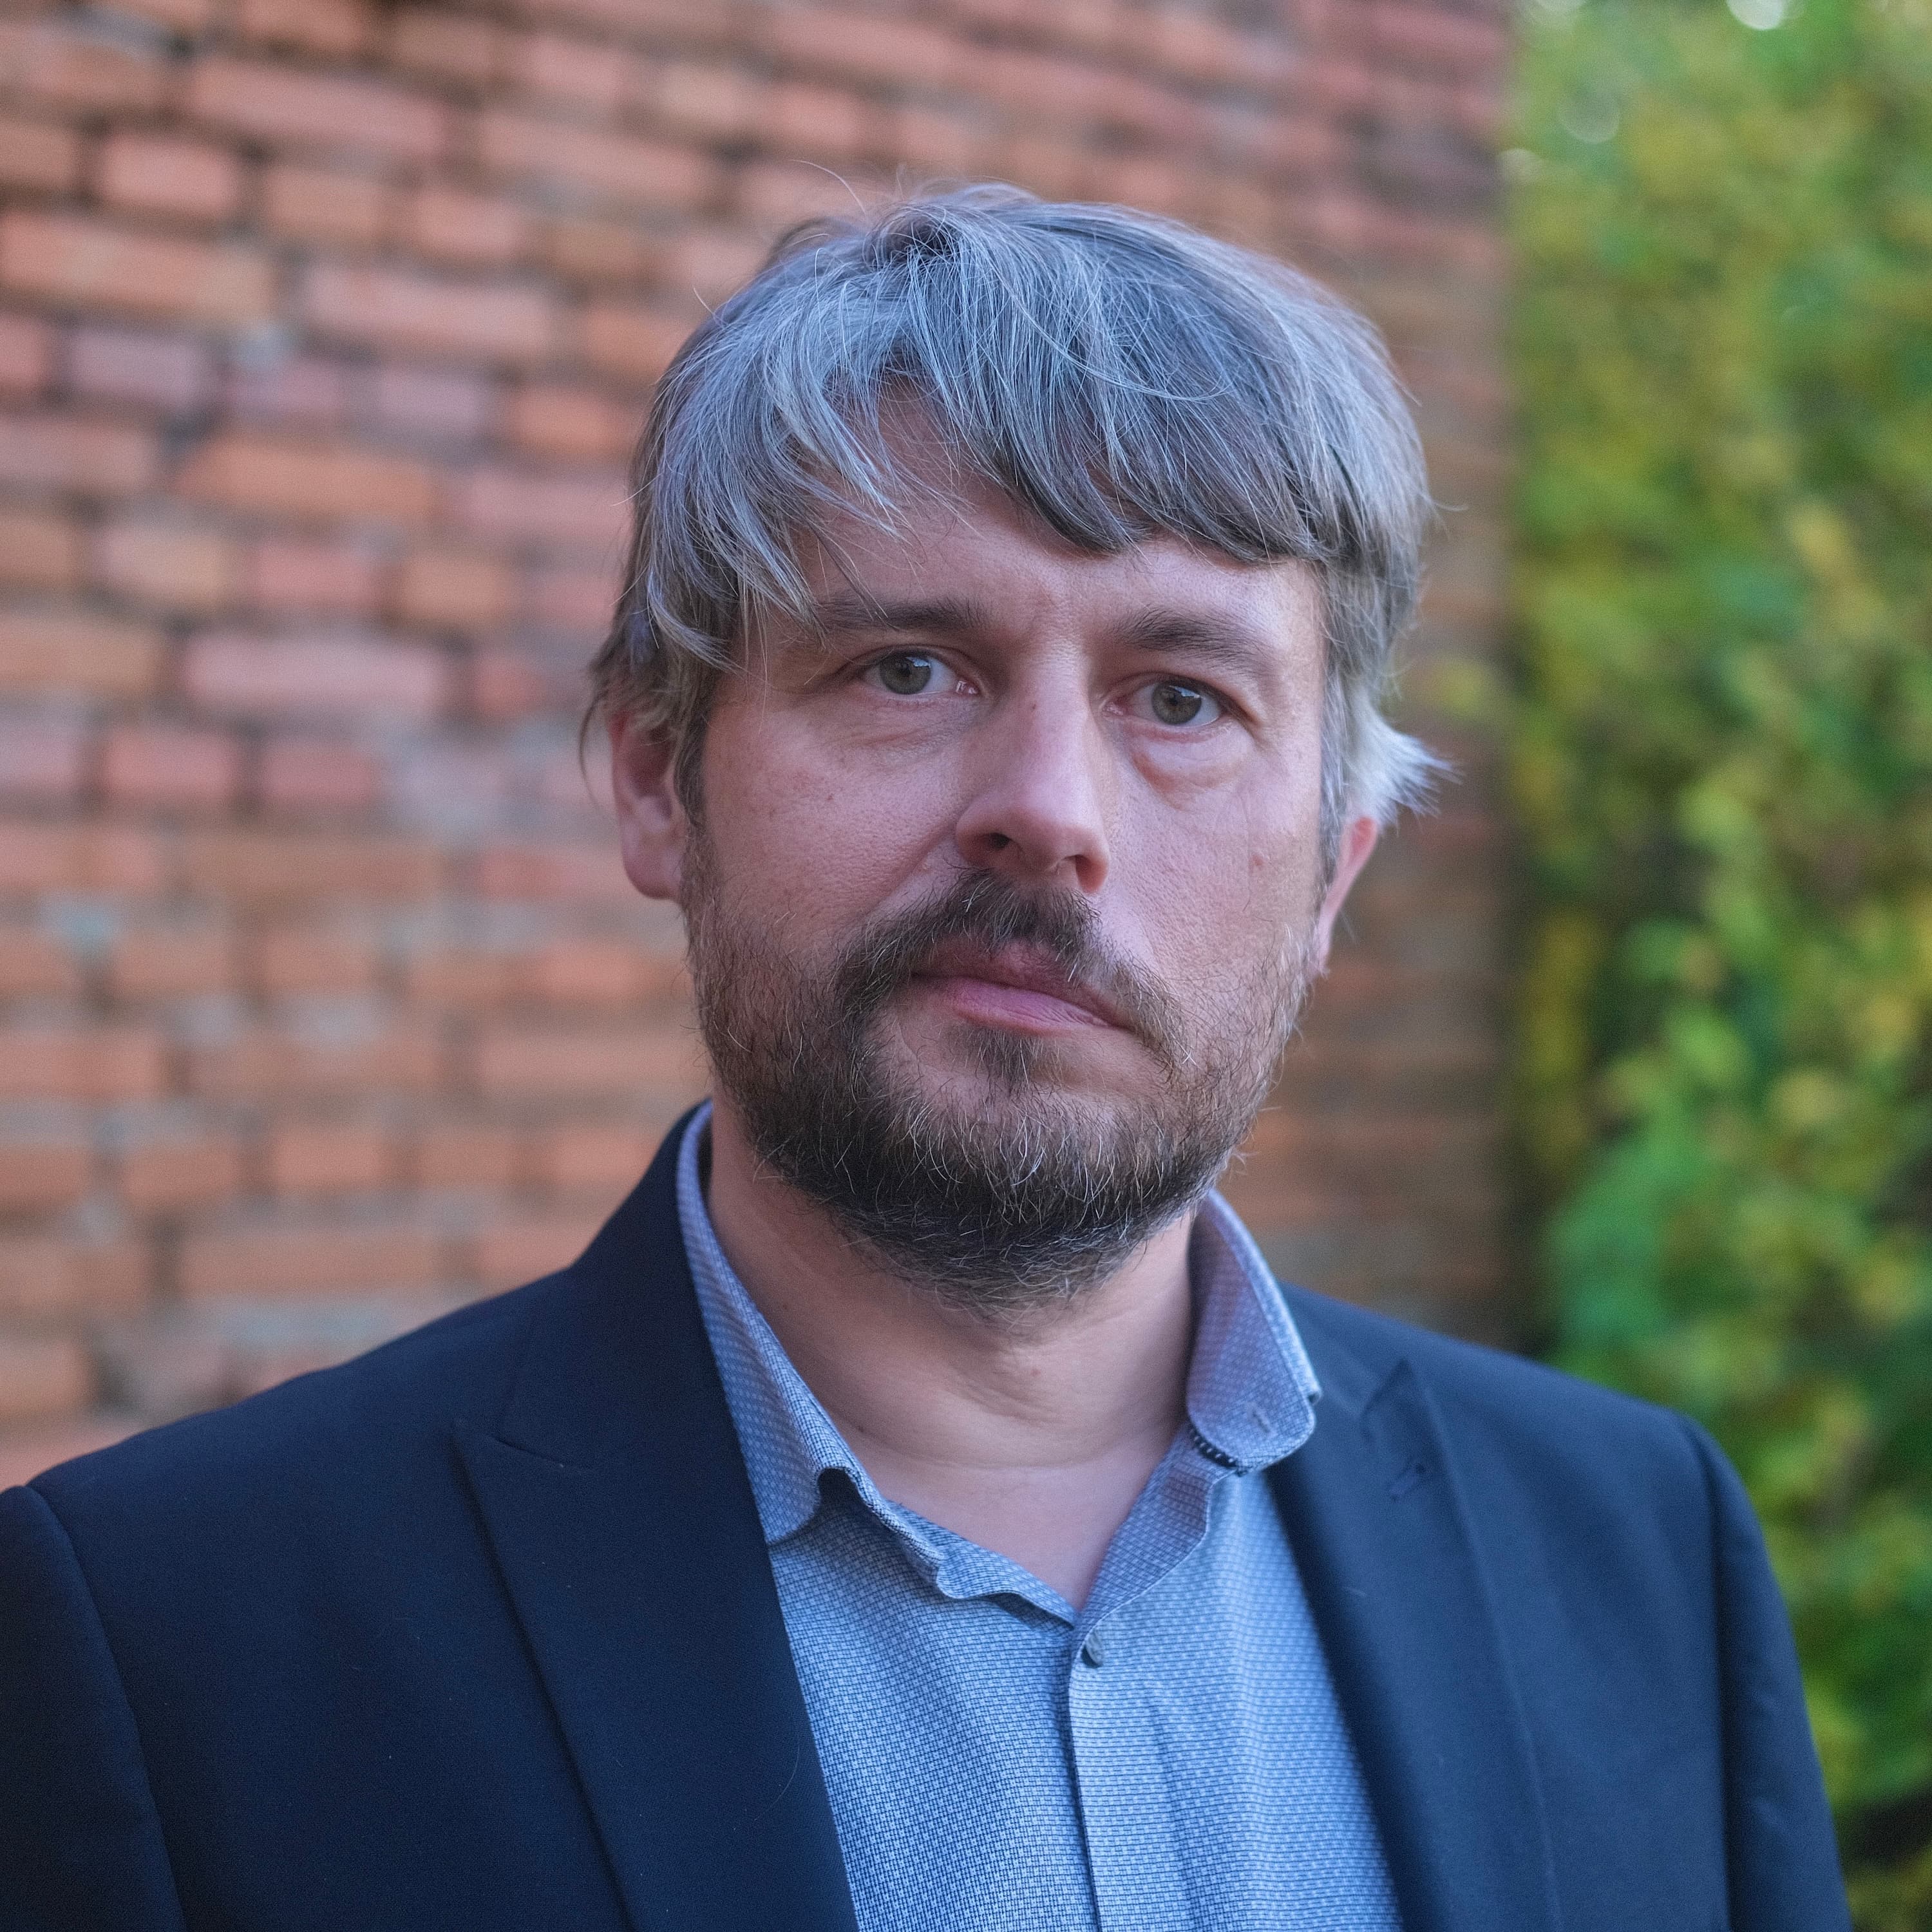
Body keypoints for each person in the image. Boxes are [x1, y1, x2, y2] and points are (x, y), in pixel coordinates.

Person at [0, 189, 1846, 1932]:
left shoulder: (1639, 1550)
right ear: (657, 776)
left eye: (1183, 699)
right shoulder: (167, 1646)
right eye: (907, 667)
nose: (1050, 812)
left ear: (1331, 875)